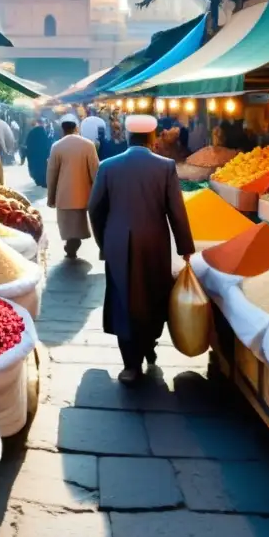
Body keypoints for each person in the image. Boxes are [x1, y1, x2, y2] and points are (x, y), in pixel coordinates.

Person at [87, 114, 194, 385]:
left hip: (117, 243)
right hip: (154, 242)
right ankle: (149, 346)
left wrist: (104, 242)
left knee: (124, 298)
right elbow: (176, 211)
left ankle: (130, 365)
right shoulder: (166, 166)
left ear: (126, 136)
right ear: (152, 138)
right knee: (153, 294)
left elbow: (95, 208)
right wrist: (185, 247)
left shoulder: (108, 166)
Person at [47, 115, 99, 259]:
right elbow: (95, 170)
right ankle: (73, 244)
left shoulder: (57, 146)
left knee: (68, 226)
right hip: (84, 194)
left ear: (62, 130)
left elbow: (52, 173)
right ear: (76, 128)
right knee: (80, 223)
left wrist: (51, 196)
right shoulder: (88, 145)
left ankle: (71, 245)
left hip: (64, 195)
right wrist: (99, 193)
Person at [23, 118, 52, 188]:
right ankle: (43, 182)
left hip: (33, 155)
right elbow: (47, 144)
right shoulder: (43, 132)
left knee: (35, 168)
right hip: (42, 155)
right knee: (42, 168)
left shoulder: (31, 132)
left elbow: (27, 144)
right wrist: (48, 154)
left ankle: (38, 181)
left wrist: (26, 155)